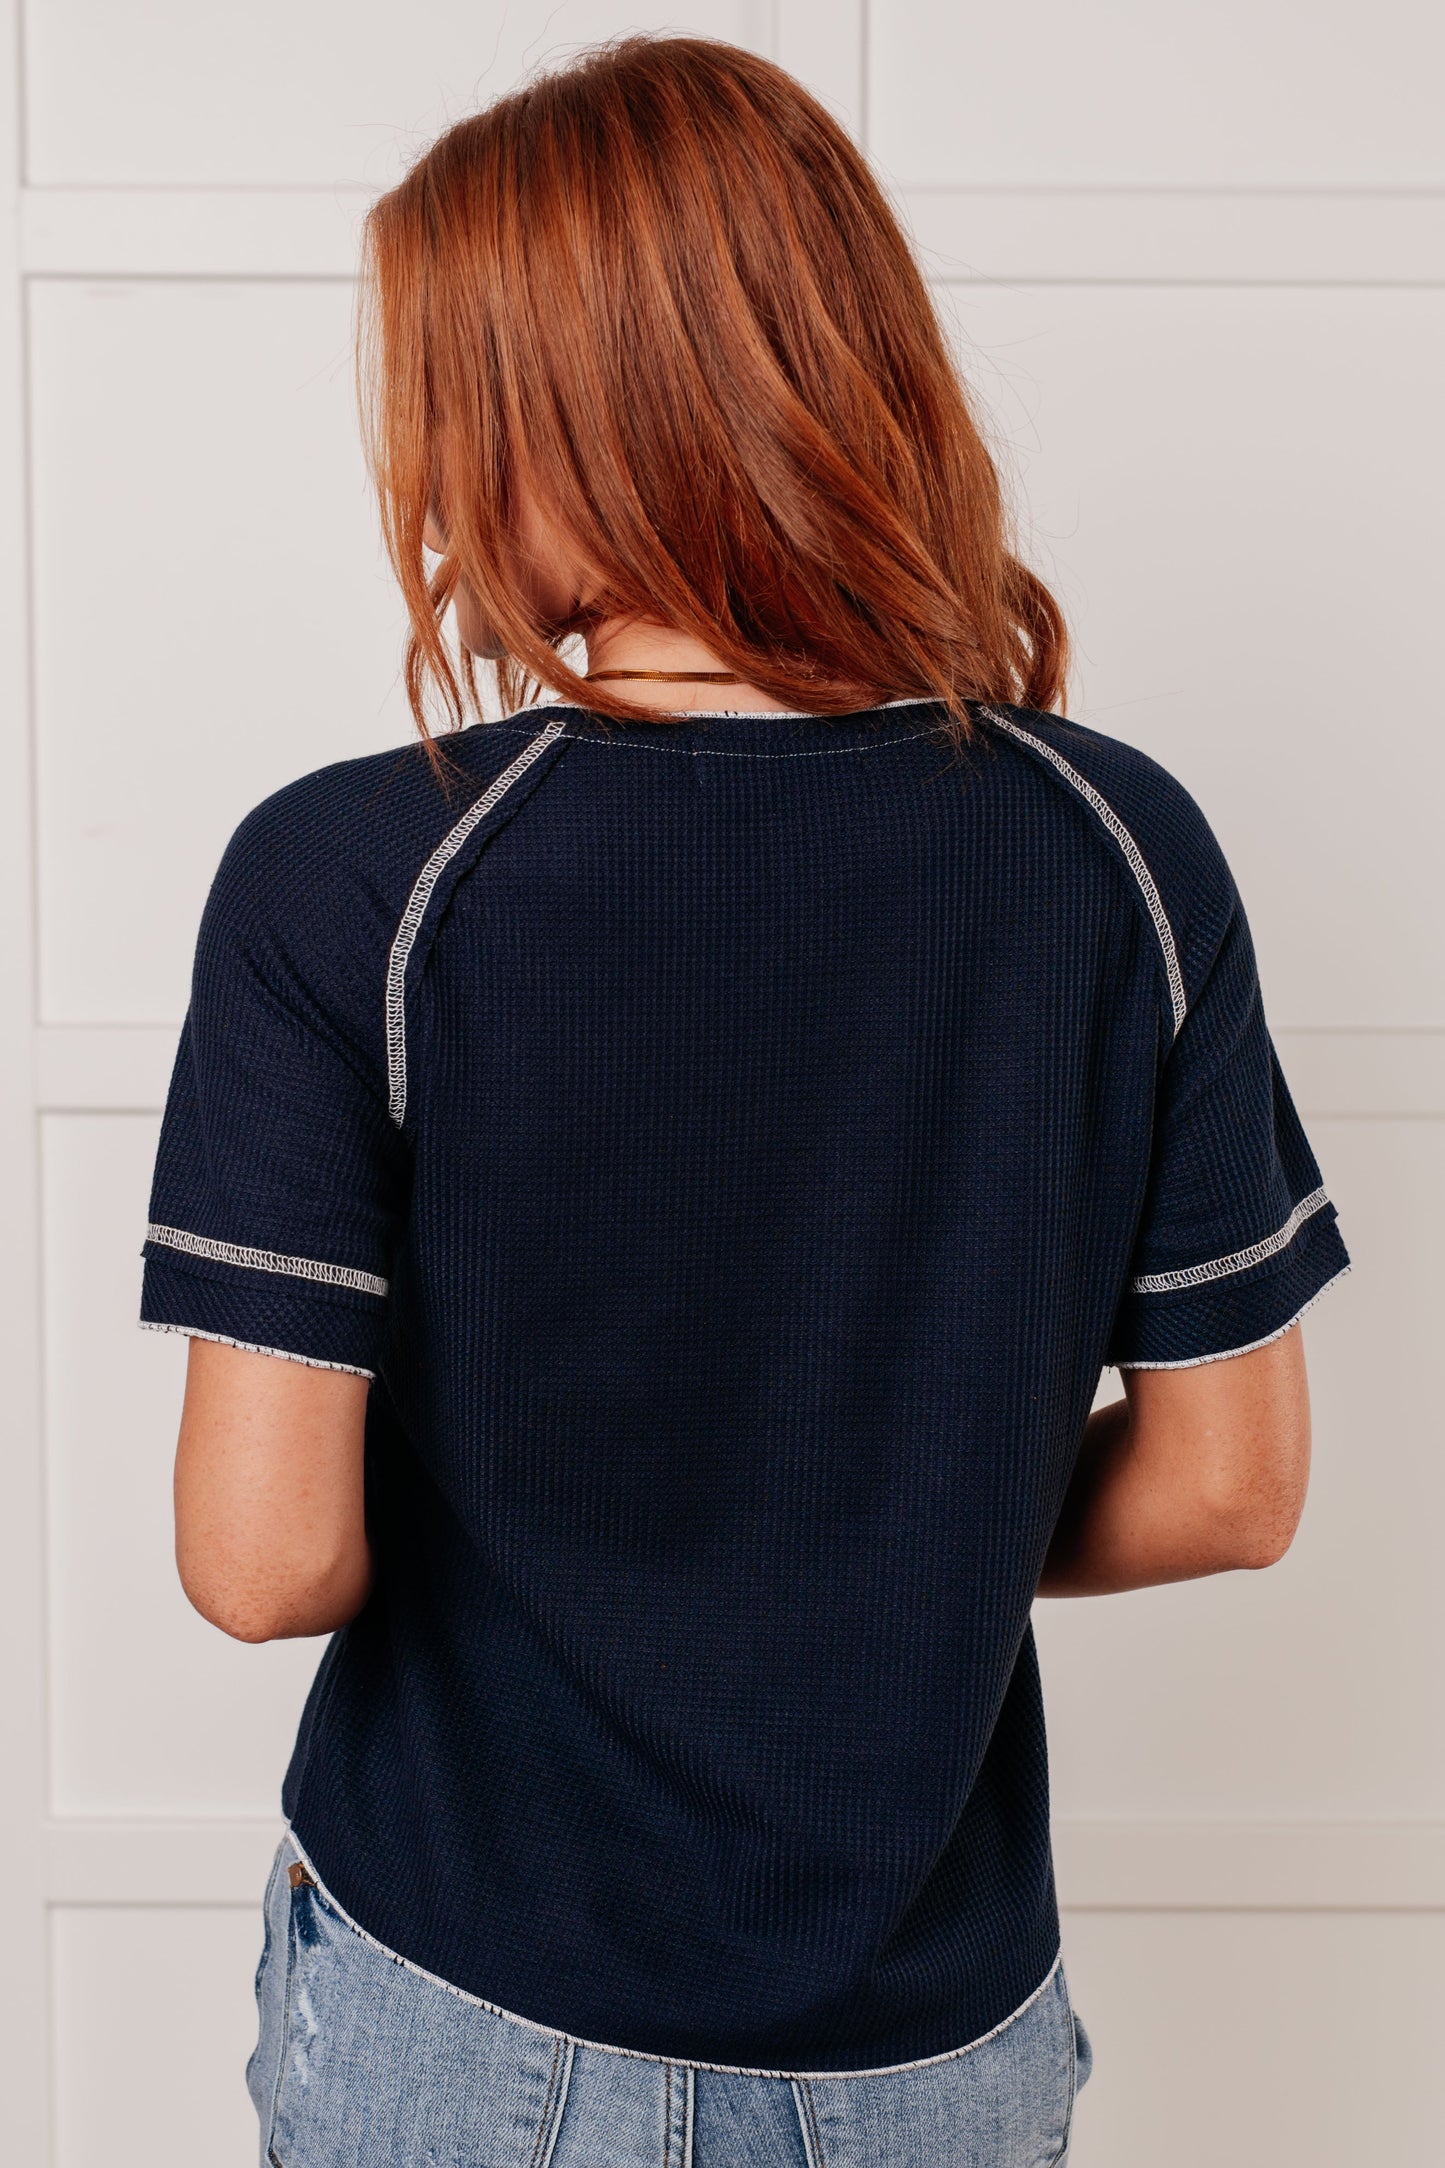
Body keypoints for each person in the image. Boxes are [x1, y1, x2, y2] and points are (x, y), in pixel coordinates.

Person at [139, 35, 1349, 2168]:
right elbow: (1230, 1487)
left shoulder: (358, 881)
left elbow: (262, 1558)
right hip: (934, 2045)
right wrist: (890, 1552)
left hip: (471, 2006)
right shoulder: (1119, 855)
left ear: (546, 418)